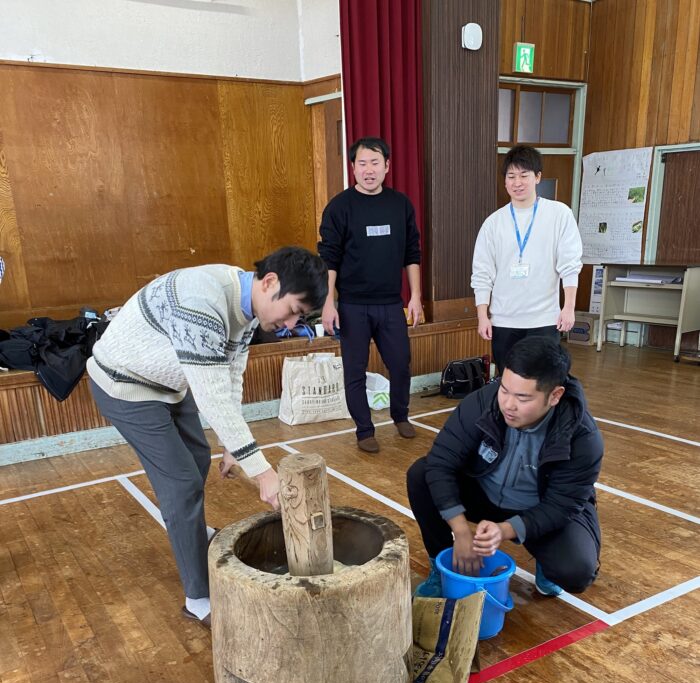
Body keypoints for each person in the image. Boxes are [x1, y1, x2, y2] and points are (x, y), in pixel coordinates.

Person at [87, 247, 328, 626]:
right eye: (294, 310)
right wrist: (263, 473)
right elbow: (212, 398)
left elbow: (231, 375)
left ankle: (191, 530)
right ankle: (197, 596)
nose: (291, 323)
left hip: (170, 381)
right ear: (270, 282)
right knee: (182, 483)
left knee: (198, 457)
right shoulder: (203, 300)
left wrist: (233, 447)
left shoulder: (248, 309)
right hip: (124, 384)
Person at [407, 337, 602, 598]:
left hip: (538, 506)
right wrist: (461, 531)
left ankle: (546, 561)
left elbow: (561, 505)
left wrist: (506, 530)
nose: (508, 405)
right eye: (504, 390)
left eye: (523, 397)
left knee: (575, 571)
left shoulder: (582, 438)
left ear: (555, 396)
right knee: (420, 475)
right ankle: (440, 567)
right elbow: (441, 461)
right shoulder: (482, 403)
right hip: (485, 494)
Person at [318, 136, 422, 453]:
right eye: (362, 163)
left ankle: (400, 415)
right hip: (353, 305)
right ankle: (364, 430)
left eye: (375, 163)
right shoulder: (339, 207)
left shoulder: (400, 204)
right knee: (355, 371)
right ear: (353, 167)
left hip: (391, 303)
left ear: (387, 166)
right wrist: (328, 302)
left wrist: (415, 296)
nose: (368, 170)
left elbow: (412, 253)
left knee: (401, 364)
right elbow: (329, 259)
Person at [471, 145, 583, 373]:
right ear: (505, 181)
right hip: (504, 321)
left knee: (543, 381)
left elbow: (570, 264)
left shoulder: (559, 214)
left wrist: (569, 307)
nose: (517, 182)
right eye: (511, 176)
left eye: (524, 175)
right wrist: (483, 315)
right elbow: (482, 273)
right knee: (508, 381)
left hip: (544, 320)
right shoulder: (493, 223)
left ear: (537, 177)